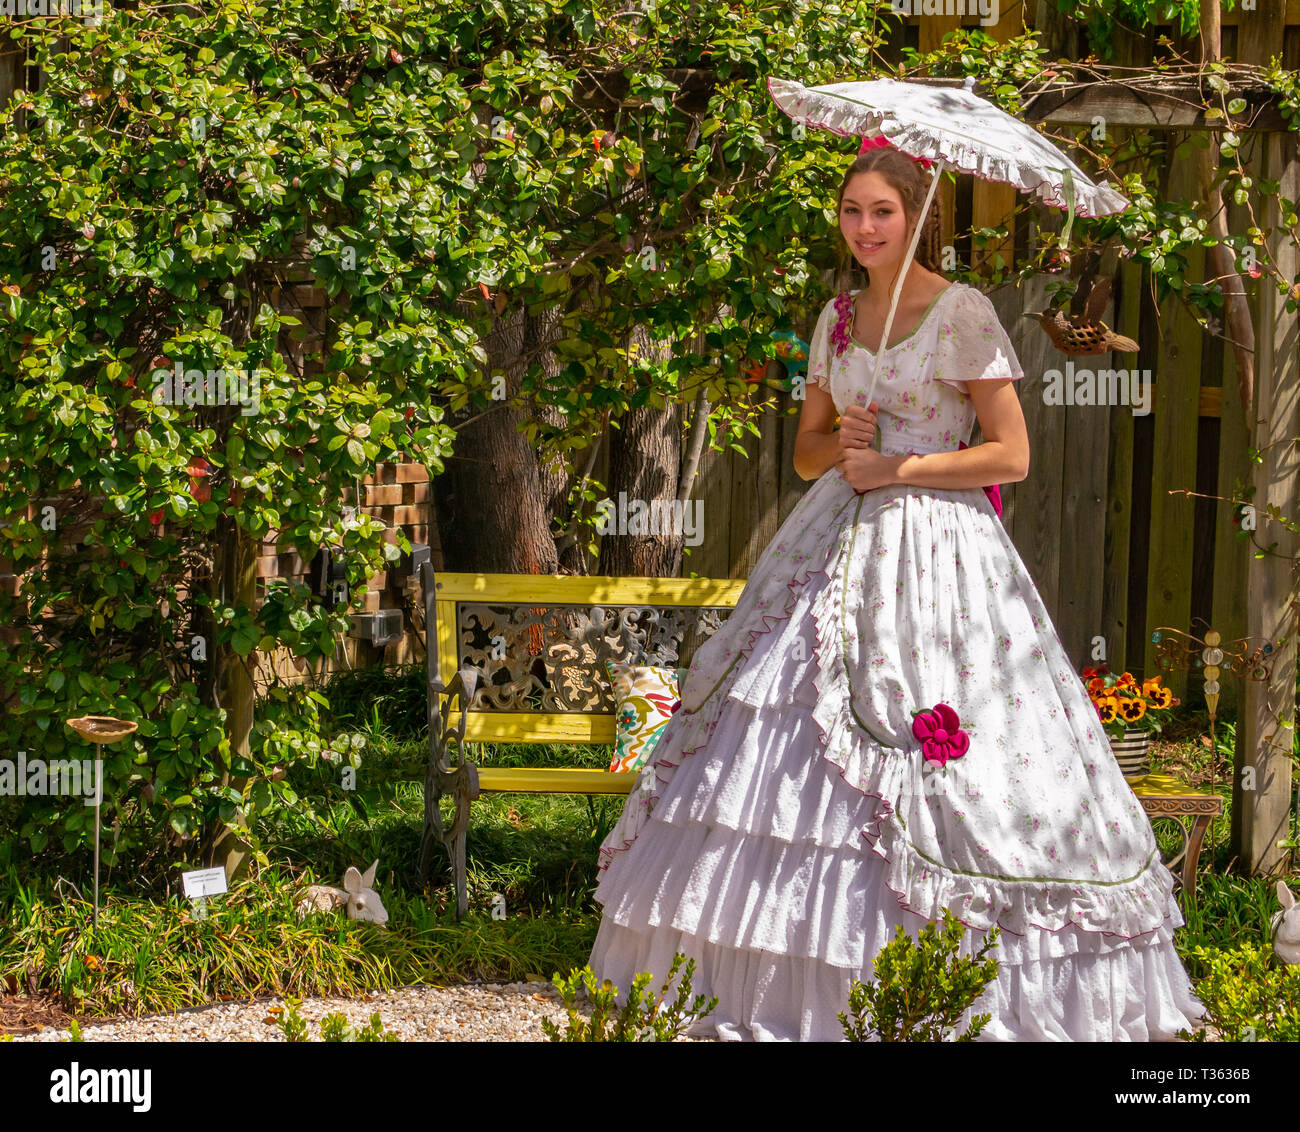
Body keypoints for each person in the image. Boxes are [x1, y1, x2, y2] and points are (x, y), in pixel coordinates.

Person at [586, 142, 1207, 1042]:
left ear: (916, 218)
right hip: (832, 538)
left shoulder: (963, 314)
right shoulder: (837, 320)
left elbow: (1013, 455)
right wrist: (846, 436)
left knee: (943, 751)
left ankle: (956, 984)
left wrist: (899, 463)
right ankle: (786, 985)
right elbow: (804, 454)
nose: (864, 227)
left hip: (941, 552)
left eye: (881, 211)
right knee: (776, 725)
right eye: (850, 210)